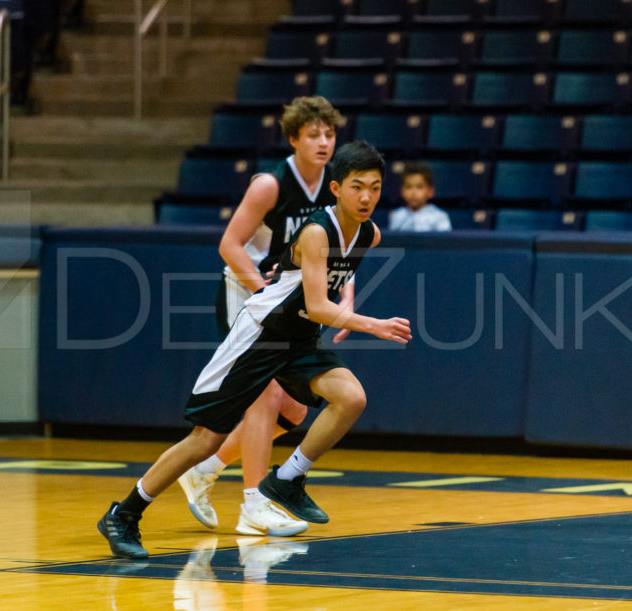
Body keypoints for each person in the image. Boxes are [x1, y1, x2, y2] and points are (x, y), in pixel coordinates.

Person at [99, 141, 411, 559]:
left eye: (375, 187)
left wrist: (344, 300)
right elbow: (318, 304)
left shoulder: (369, 234)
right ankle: (124, 513)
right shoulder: (317, 231)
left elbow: (333, 282)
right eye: (358, 187)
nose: (367, 197)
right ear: (335, 188)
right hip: (260, 335)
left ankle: (288, 480)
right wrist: (372, 324)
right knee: (205, 439)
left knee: (351, 397)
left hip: (298, 339)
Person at [178, 96, 351, 539]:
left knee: (293, 409)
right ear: (293, 139)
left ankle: (205, 469)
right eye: (313, 134)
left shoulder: (335, 185)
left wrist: (345, 301)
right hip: (247, 292)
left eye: (329, 134)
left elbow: (342, 253)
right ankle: (254, 503)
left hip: (287, 297)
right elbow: (230, 245)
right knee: (266, 396)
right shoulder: (269, 186)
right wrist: (263, 293)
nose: (323, 142)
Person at [388, 162, 452, 232]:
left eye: (419, 187)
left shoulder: (440, 216)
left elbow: (445, 241)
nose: (413, 193)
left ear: (431, 191)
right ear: (401, 191)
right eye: (408, 187)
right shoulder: (397, 215)